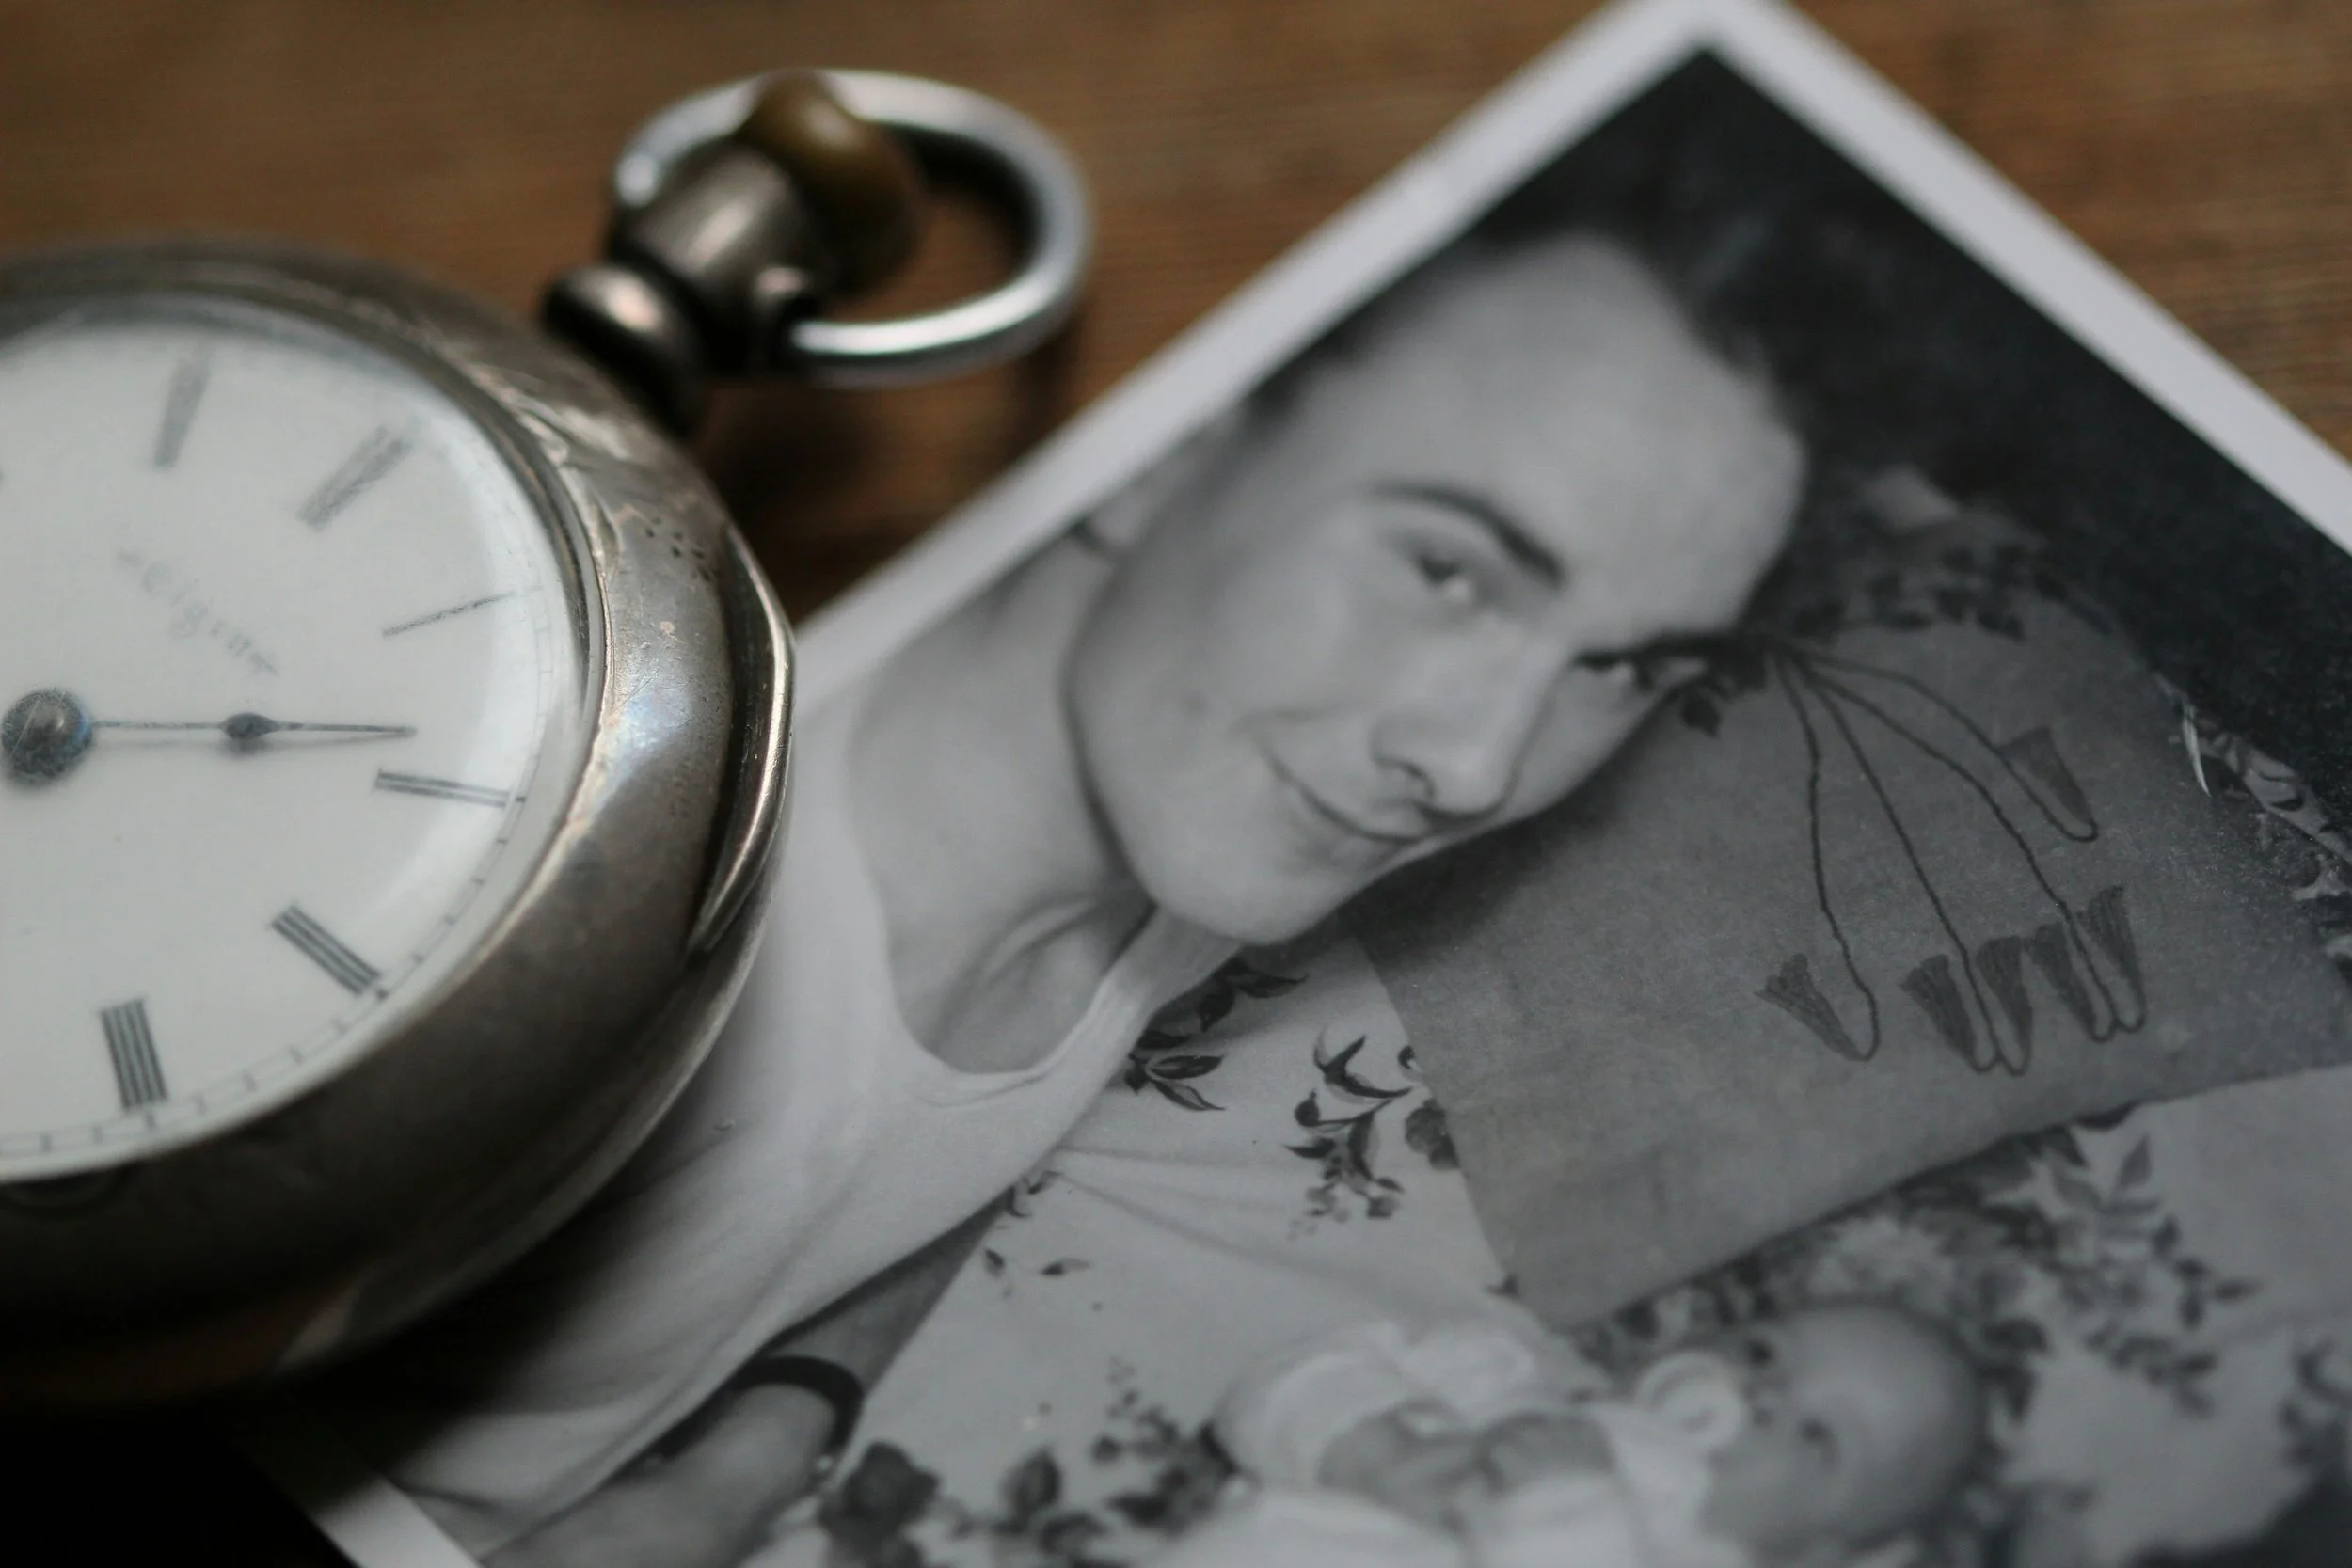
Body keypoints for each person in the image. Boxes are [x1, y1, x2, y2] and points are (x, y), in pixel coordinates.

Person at [325, 230, 1807, 1568]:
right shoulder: (642, 909)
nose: (1477, 763)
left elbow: (923, 1150)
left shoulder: (1205, 838)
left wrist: (756, 1449)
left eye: (1626, 668)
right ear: (1171, 448)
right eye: (1452, 570)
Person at [1153, 1302, 1982, 1568]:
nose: (1761, 1397)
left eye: (1816, 1437)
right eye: (1765, 1354)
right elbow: (1280, 1383)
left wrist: (1568, 1508)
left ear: (1822, 1550)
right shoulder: (1503, 1382)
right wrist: (1366, 1449)